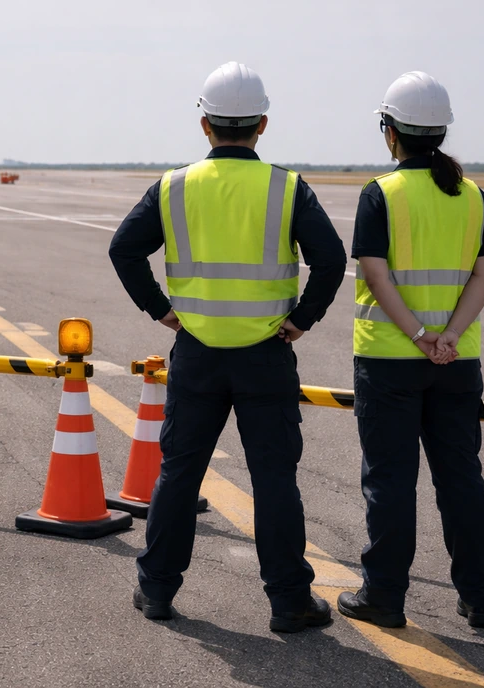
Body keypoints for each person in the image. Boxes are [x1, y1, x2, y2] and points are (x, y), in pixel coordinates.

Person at [109, 61, 347, 633]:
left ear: (205, 123)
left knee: (179, 473)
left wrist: (162, 310)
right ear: (262, 124)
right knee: (274, 480)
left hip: (197, 352)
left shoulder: (173, 186)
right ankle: (290, 601)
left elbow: (124, 249)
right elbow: (333, 260)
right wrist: (302, 320)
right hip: (266, 351)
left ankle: (158, 590)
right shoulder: (287, 187)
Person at [337, 71, 484, 629]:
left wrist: (415, 334)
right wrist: (450, 334)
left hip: (389, 360)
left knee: (389, 480)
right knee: (461, 478)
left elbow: (374, 274)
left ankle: (384, 597)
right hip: (457, 363)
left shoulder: (380, 194)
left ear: (390, 132)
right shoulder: (475, 196)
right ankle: (479, 599)